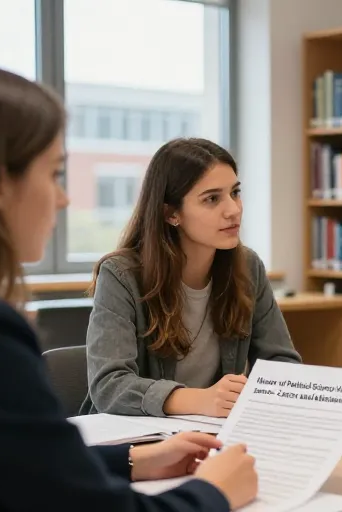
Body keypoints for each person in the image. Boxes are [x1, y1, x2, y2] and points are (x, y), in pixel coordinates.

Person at [0, 60, 258, 510]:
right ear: (0, 184)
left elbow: (21, 466)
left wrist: (132, 460)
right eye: (54, 173)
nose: (64, 198)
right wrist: (213, 492)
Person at [82, 138, 302, 418]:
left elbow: (281, 364)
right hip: (133, 442)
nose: (233, 209)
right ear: (171, 213)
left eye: (235, 193)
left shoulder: (248, 267)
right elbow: (109, 387)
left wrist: (262, 394)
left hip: (211, 434)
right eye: (212, 199)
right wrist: (200, 401)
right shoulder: (122, 275)